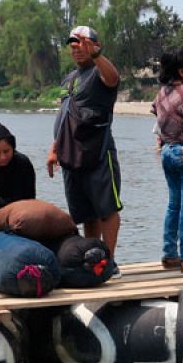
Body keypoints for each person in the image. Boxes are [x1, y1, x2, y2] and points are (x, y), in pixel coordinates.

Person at [46, 25, 122, 275]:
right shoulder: (69, 79)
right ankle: (95, 259)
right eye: (73, 43)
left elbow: (113, 79)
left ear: (95, 45)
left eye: (82, 42)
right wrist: (54, 148)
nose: (77, 47)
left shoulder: (99, 73)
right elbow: (64, 114)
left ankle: (109, 261)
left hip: (98, 153)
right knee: (87, 213)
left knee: (107, 208)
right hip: (71, 154)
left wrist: (97, 56)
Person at [153, 48, 183, 269]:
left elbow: (156, 113)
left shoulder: (162, 92)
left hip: (167, 150)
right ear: (181, 71)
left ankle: (169, 253)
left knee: (174, 204)